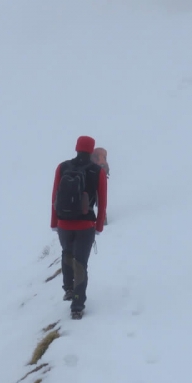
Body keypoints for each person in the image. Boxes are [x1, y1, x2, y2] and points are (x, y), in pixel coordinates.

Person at [51, 136, 107, 318]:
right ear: (91, 150)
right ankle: (77, 304)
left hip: (64, 223)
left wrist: (54, 223)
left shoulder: (63, 167)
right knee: (81, 263)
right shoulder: (96, 171)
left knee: (67, 253)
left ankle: (68, 289)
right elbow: (103, 202)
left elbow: (54, 198)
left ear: (76, 147)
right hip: (86, 225)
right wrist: (99, 226)